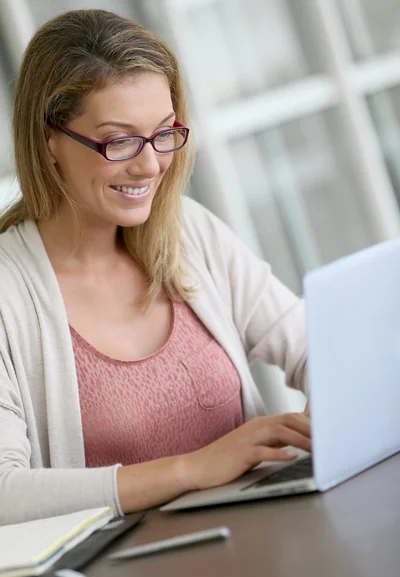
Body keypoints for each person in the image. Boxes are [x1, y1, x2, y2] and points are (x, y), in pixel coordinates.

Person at [0, 9, 310, 526]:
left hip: (267, 547)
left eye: (164, 133)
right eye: (119, 140)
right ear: (49, 139)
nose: (149, 165)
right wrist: (192, 469)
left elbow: (313, 346)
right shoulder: (8, 293)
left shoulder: (189, 232)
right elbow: (4, 493)